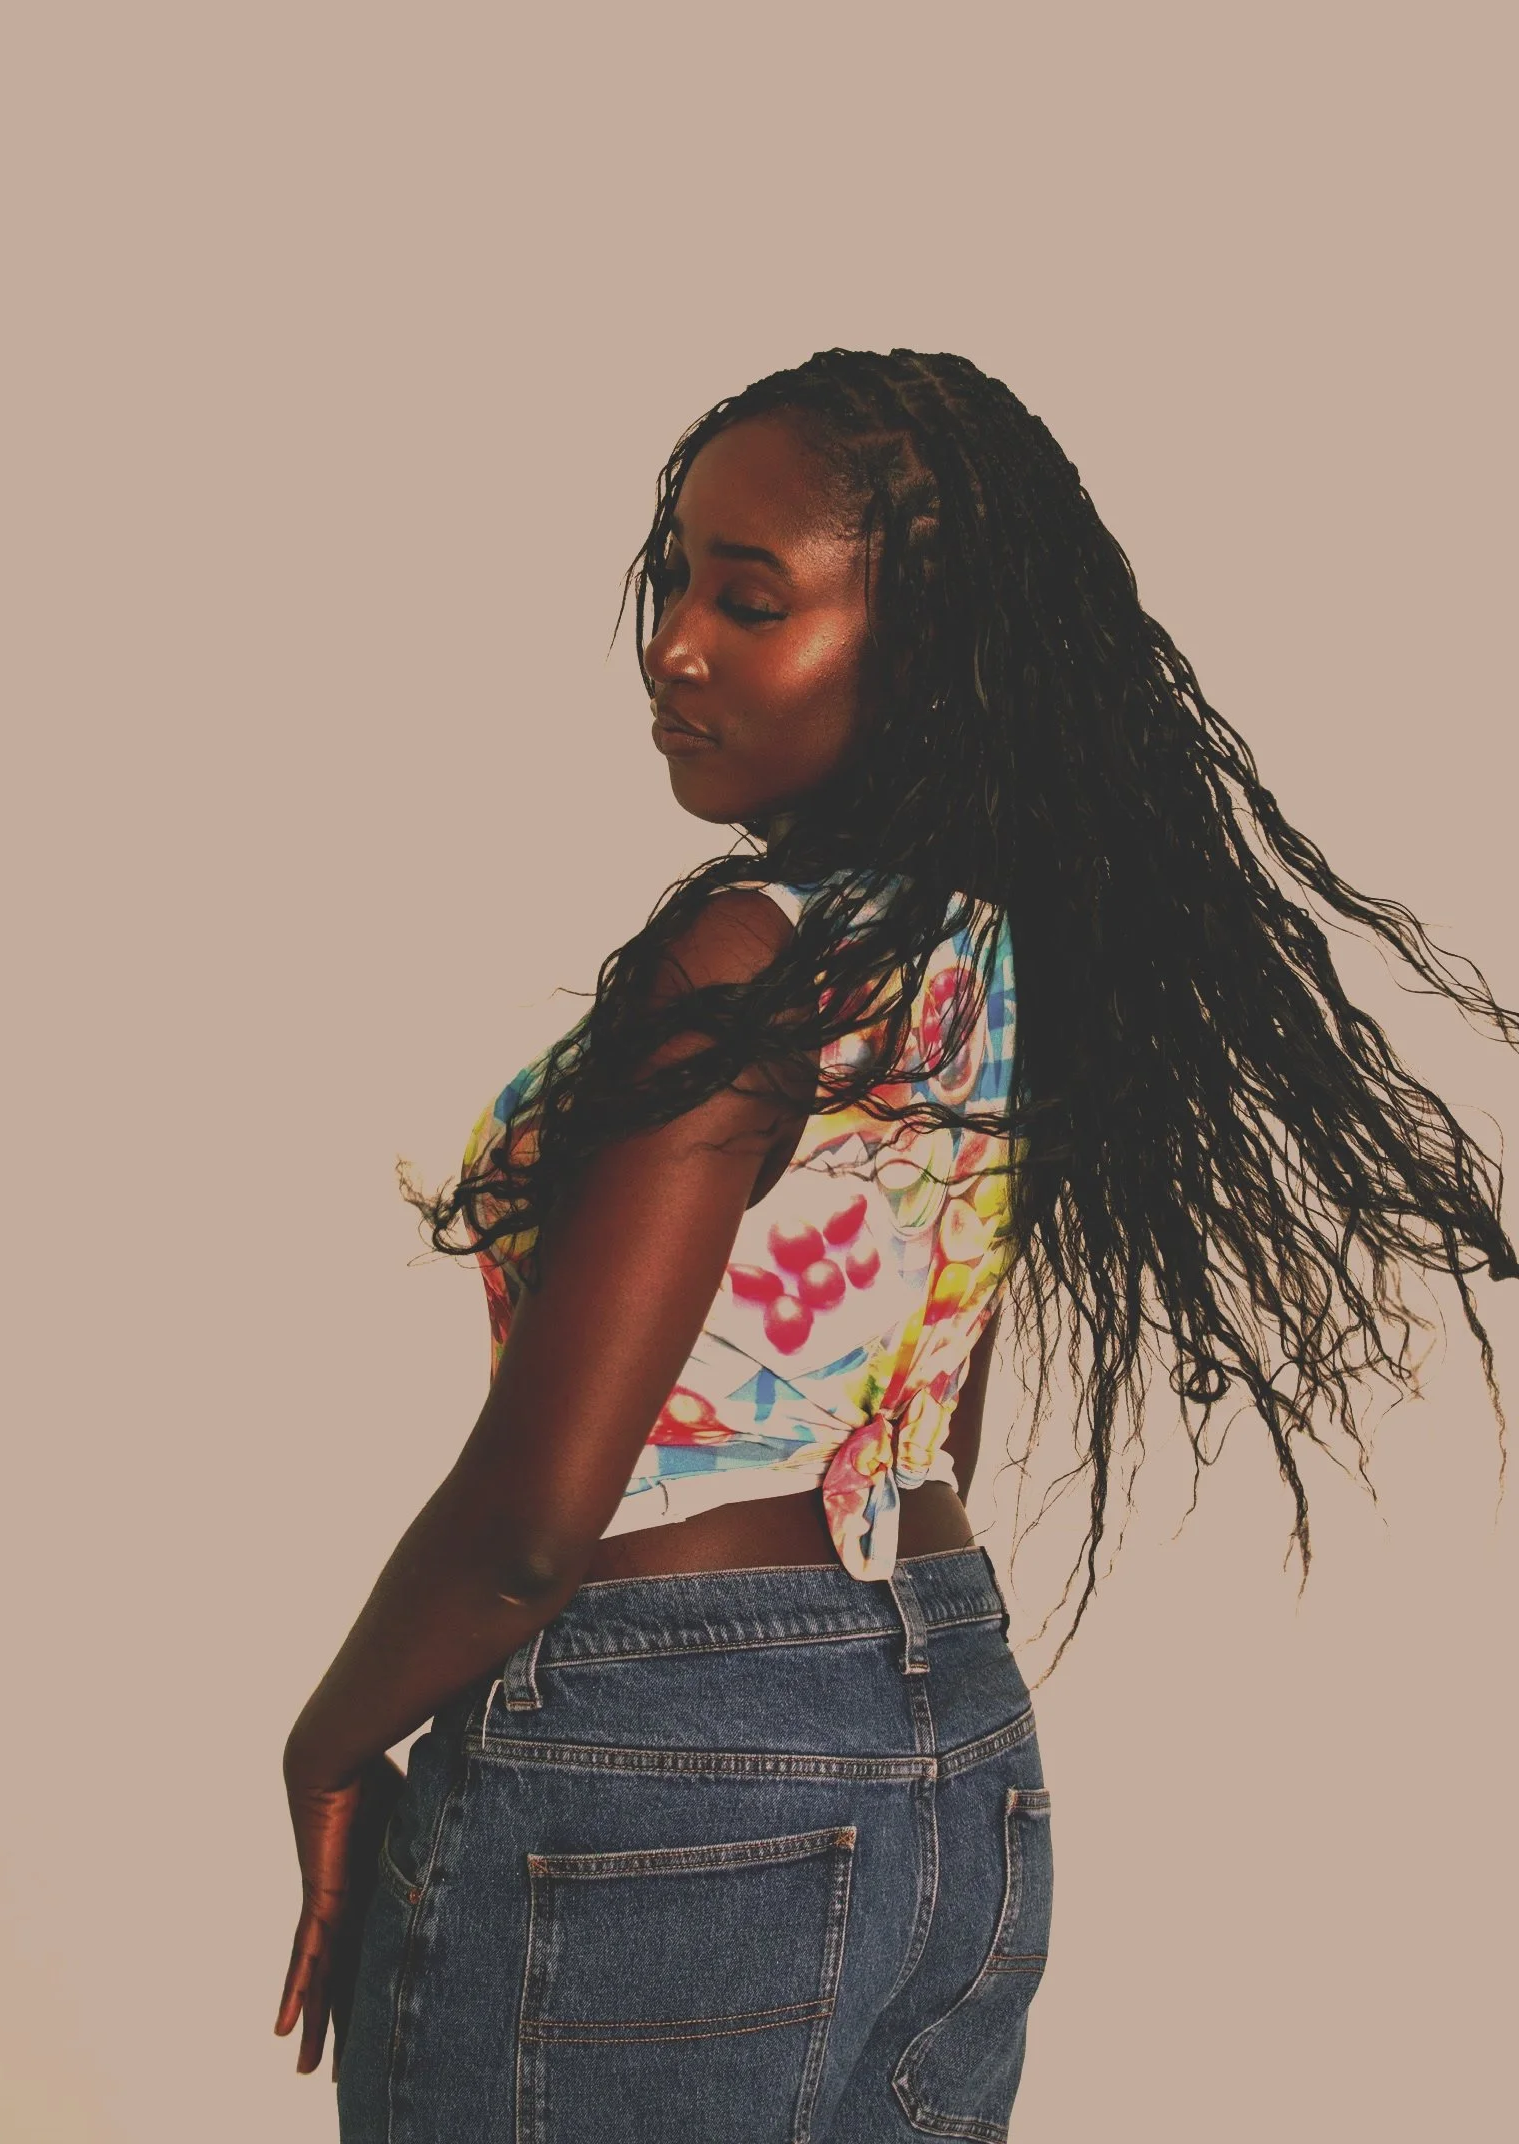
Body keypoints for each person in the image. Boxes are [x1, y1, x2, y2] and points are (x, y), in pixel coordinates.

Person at [276, 348, 1517, 2141]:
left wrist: (326, 1741)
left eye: (751, 598)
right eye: (679, 578)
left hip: (671, 1766)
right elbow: (926, 1422)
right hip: (948, 1746)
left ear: (915, 650)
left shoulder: (745, 963)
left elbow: (536, 1519)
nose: (676, 644)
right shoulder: (988, 961)